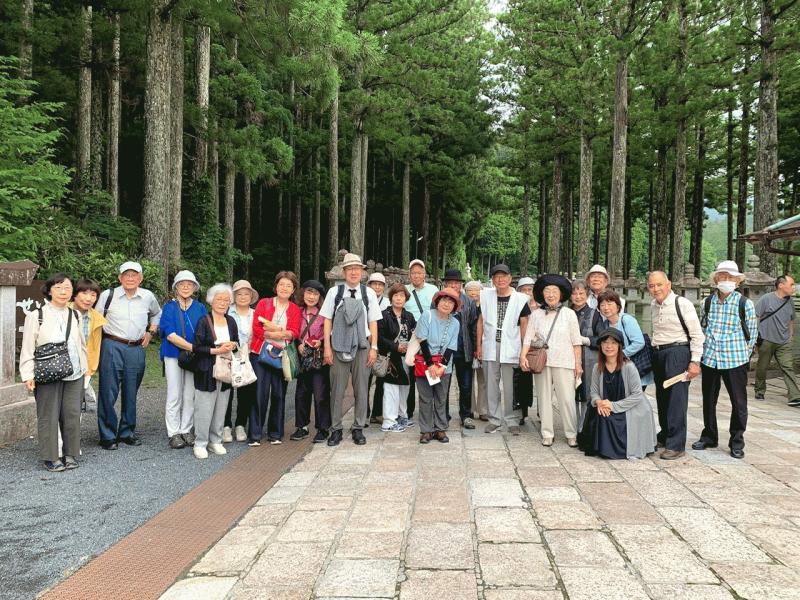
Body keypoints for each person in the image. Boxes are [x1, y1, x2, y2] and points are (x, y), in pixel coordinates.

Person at [20, 274, 87, 471]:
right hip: (47, 372)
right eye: (58, 287)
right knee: (48, 415)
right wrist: (28, 374)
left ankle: (70, 453)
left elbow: (81, 344)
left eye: (67, 288)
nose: (63, 292)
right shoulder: (37, 315)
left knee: (72, 414)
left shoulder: (75, 314)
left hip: (74, 371)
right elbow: (28, 347)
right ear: (49, 290)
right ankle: (50, 456)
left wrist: (85, 368)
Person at [692, 260, 757, 459]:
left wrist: (743, 355)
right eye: (722, 276)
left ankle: (736, 441)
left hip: (735, 358)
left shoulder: (745, 304)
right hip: (711, 358)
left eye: (730, 277)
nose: (726, 280)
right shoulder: (707, 302)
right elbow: (703, 328)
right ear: (716, 279)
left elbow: (752, 333)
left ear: (737, 281)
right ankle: (709, 436)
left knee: (739, 403)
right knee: (708, 400)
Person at [96, 261, 161, 450]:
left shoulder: (147, 296)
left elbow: (157, 313)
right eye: (126, 275)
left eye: (134, 275)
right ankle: (107, 435)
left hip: (136, 348)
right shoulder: (108, 295)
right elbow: (95, 318)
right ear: (120, 277)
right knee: (108, 391)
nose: (130, 278)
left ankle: (126, 432)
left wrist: (151, 332)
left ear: (141, 278)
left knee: (131, 391)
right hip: (112, 345)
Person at [321, 253, 382, 446]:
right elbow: (327, 320)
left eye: (357, 268)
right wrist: (327, 347)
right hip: (338, 344)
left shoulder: (368, 293)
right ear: (344, 272)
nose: (354, 272)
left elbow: (373, 322)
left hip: (362, 345)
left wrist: (373, 347)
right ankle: (336, 428)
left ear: (362, 272)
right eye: (350, 269)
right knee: (337, 389)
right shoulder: (334, 292)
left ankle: (358, 427)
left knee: (362, 388)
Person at [648, 271, 705, 459]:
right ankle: (665, 434)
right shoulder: (653, 305)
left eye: (659, 284)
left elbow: (697, 334)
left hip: (678, 353)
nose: (655, 289)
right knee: (662, 397)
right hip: (659, 353)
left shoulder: (682, 303)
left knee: (676, 400)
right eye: (651, 286)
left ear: (668, 284)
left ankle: (676, 444)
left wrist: (695, 361)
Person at [521, 275, 582, 447]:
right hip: (542, 362)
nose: (551, 294)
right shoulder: (536, 314)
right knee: (544, 398)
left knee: (567, 399)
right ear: (542, 294)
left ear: (561, 294)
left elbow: (576, 342)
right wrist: (523, 356)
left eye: (554, 291)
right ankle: (547, 433)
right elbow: (528, 338)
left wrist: (578, 364)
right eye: (547, 291)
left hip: (565, 361)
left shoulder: (569, 314)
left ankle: (571, 433)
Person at [578, 329, 657, 459]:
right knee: (599, 415)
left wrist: (613, 406)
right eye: (605, 342)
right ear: (600, 345)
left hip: (629, 407)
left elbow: (637, 395)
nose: (609, 346)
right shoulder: (597, 367)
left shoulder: (629, 367)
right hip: (605, 406)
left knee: (609, 419)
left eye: (613, 343)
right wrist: (599, 402)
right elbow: (594, 392)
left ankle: (618, 449)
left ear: (620, 346)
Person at [476, 264, 531, 435]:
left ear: (510, 278)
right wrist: (478, 346)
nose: (500, 280)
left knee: (511, 385)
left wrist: (524, 350)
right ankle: (494, 419)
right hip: (490, 345)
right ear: (493, 279)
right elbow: (480, 321)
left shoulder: (520, 299)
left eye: (504, 276)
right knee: (491, 384)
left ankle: (512, 419)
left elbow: (524, 324)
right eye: (497, 277)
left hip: (512, 345)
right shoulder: (485, 296)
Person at [250, 271, 302, 445]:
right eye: (281, 284)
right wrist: (278, 333)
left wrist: (278, 332)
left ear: (293, 289)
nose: (284, 288)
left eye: (289, 285)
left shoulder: (294, 309)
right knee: (259, 393)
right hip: (261, 353)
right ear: (276, 286)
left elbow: (294, 332)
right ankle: (255, 434)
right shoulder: (264, 303)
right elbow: (256, 327)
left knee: (279, 394)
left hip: (282, 355)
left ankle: (275, 433)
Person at [190, 284, 239, 460]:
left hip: (225, 369)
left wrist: (232, 345)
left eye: (226, 300)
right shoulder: (204, 321)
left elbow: (236, 343)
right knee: (204, 408)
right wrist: (217, 350)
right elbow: (196, 347)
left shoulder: (231, 321)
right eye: (219, 299)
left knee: (221, 406)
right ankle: (200, 443)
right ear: (211, 301)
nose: (223, 303)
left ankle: (215, 440)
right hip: (206, 370)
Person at [159, 270, 206, 450]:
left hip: (193, 357)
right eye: (182, 284)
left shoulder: (200, 308)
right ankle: (173, 433)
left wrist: (197, 350)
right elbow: (169, 334)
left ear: (194, 287)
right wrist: (192, 347)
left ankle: (186, 429)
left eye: (189, 284)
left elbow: (204, 331)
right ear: (176, 287)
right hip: (173, 354)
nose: (186, 287)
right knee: (174, 393)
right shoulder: (169, 307)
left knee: (190, 394)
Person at [415, 288, 460, 443]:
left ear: (454, 306)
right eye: (444, 300)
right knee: (425, 398)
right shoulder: (427, 316)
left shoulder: (455, 323)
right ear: (437, 301)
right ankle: (426, 430)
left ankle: (440, 428)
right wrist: (430, 365)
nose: (446, 304)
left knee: (441, 398)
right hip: (424, 362)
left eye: (451, 302)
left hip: (444, 365)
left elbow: (451, 346)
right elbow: (422, 340)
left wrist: (441, 366)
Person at [291, 280, 332, 443]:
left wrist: (321, 342)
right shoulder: (297, 311)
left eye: (315, 294)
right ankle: (302, 427)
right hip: (302, 357)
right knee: (301, 393)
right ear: (303, 294)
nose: (311, 297)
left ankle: (323, 428)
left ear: (320, 297)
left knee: (320, 393)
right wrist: (298, 344)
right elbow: (292, 331)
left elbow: (330, 333)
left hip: (318, 358)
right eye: (309, 292)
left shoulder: (324, 314)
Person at [754, 274, 800, 406]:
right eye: (791, 284)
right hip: (766, 340)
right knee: (762, 367)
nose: (793, 287)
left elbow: (791, 319)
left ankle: (795, 396)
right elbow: (756, 316)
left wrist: (790, 335)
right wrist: (755, 336)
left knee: (788, 367)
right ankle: (759, 390)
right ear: (781, 285)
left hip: (784, 342)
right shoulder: (766, 299)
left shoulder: (789, 301)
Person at [377, 283, 417, 432]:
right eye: (396, 295)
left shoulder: (409, 316)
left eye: (402, 296)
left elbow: (415, 334)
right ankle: (389, 421)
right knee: (391, 389)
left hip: (406, 357)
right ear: (391, 297)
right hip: (391, 357)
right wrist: (395, 346)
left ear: (406, 298)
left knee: (405, 387)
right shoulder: (384, 315)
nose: (399, 298)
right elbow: (379, 337)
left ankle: (402, 415)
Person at [442, 269, 479, 429]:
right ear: (445, 284)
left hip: (464, 348)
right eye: (450, 283)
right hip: (444, 350)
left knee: (466, 385)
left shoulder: (468, 301)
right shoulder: (438, 300)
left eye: (456, 283)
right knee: (443, 385)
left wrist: (476, 348)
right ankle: (443, 415)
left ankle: (466, 415)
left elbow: (473, 326)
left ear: (461, 284)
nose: (453, 285)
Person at [596, 290, 654, 389]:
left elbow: (639, 342)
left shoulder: (626, 320)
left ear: (618, 306)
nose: (606, 308)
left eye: (609, 304)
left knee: (633, 396)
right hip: (618, 368)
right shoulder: (605, 324)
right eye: (602, 305)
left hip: (634, 366)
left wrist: (621, 354)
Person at [404, 259, 438, 421]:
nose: (416, 276)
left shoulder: (433, 289)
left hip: (429, 334)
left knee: (431, 368)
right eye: (413, 273)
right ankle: (409, 410)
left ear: (424, 274)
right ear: (409, 274)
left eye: (419, 272)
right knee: (410, 370)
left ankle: (433, 409)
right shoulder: (404, 290)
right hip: (411, 335)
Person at [226, 280, 259, 442]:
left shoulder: (256, 314)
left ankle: (240, 424)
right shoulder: (227, 312)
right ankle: (225, 426)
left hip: (249, 356)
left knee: (246, 392)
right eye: (239, 294)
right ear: (234, 296)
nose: (243, 297)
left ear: (251, 296)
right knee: (227, 391)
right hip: (228, 355)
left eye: (246, 294)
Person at [71, 279, 107, 409]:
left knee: (76, 407)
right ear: (75, 294)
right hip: (60, 365)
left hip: (82, 369)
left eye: (93, 295)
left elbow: (94, 348)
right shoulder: (62, 311)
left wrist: (89, 371)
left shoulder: (97, 319)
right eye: (84, 293)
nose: (88, 299)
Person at [571, 280, 600, 433]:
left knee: (587, 393)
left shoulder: (595, 314)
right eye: (574, 293)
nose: (578, 297)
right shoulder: (565, 313)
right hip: (568, 358)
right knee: (570, 394)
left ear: (587, 295)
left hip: (589, 359)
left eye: (581, 293)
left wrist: (586, 340)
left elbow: (602, 339)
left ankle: (585, 428)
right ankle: (573, 426)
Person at [513, 276, 537, 424]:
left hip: (537, 347)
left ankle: (541, 411)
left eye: (530, 289)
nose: (528, 293)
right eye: (524, 290)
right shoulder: (516, 306)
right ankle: (521, 410)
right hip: (520, 346)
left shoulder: (541, 307)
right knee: (521, 379)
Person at [366, 272, 389, 423]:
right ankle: (364, 412)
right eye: (374, 284)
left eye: (380, 284)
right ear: (369, 285)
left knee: (381, 380)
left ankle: (377, 412)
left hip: (383, 345)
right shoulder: (363, 299)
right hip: (366, 345)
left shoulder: (387, 302)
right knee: (365, 381)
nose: (377, 287)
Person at [466, 280, 488, 421]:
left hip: (484, 347)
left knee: (483, 380)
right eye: (470, 290)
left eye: (476, 290)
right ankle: (469, 409)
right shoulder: (463, 306)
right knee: (468, 380)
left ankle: (483, 409)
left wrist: (480, 346)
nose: (473, 293)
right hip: (468, 347)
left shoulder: (486, 306)